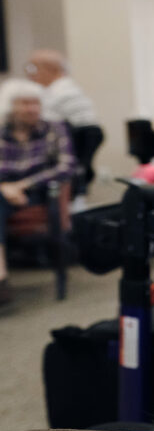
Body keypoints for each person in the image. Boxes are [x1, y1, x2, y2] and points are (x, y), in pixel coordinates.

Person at [0, 78, 76, 303]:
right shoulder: (2, 130)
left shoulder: (54, 128)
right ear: (10, 105)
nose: (31, 108)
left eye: (35, 103)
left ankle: (1, 277)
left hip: (38, 191)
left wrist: (22, 185)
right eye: (24, 103)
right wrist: (5, 187)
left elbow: (67, 166)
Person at [22, 49, 103, 199]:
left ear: (51, 69)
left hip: (64, 159)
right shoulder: (62, 90)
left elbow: (36, 125)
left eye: (32, 68)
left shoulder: (59, 93)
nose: (29, 74)